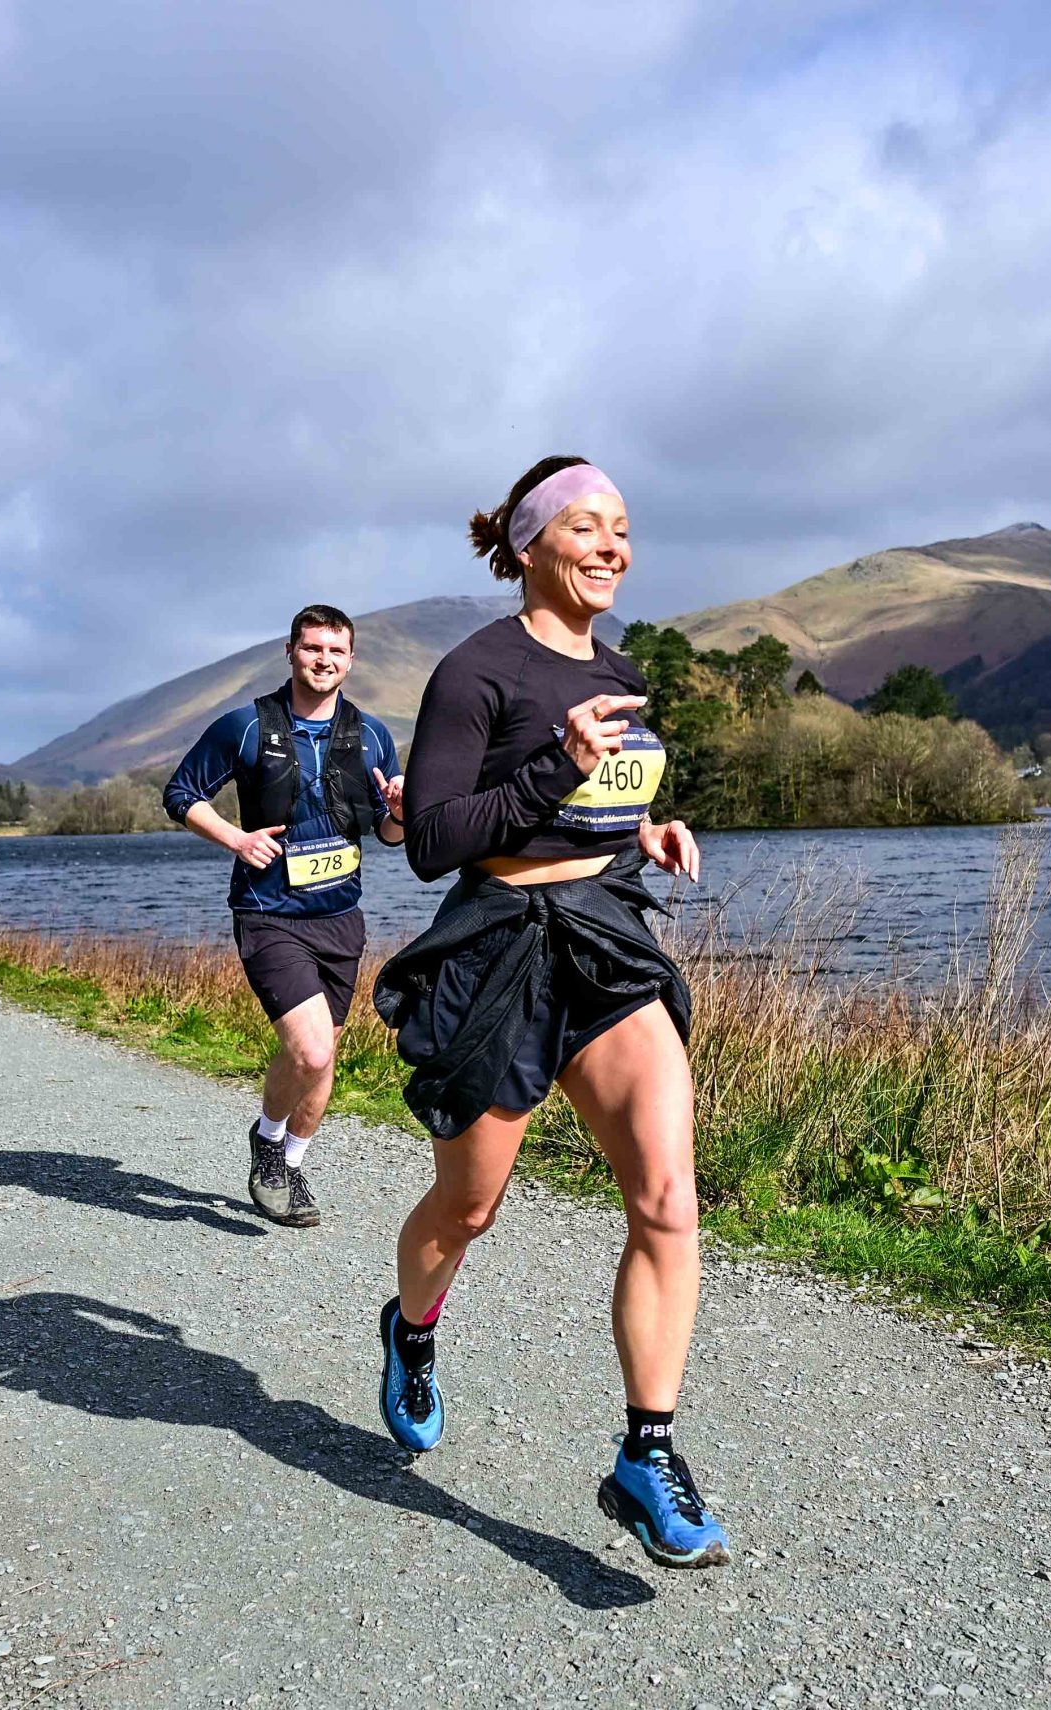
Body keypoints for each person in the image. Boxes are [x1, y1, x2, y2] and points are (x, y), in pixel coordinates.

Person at [371, 456, 727, 1569]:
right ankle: (411, 1329)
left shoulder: (619, 667)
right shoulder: (474, 672)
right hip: (497, 953)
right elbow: (432, 840)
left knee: (668, 1199)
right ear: (530, 544)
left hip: (607, 943)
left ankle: (646, 1451)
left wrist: (644, 829)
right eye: (588, 526)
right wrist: (557, 774)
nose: (613, 547)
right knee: (466, 1211)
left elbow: (608, 803)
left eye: (623, 528)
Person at [163, 606, 406, 1229]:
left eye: (336, 651)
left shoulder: (373, 735)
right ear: (290, 652)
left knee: (320, 1061)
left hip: (340, 917)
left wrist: (402, 813)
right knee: (313, 1050)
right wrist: (237, 839)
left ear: (350, 661)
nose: (323, 660)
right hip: (269, 913)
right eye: (312, 648)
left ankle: (289, 1161)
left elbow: (388, 832)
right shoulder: (245, 727)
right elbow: (181, 794)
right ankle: (269, 1145)